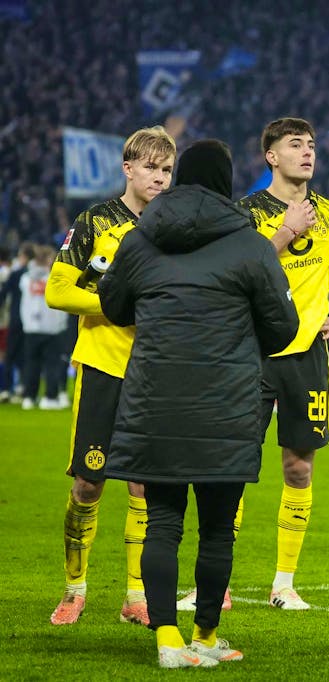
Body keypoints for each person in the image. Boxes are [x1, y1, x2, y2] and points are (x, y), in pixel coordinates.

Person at [98, 139, 299, 668]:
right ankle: (206, 638)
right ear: (227, 183)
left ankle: (167, 640)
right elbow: (283, 329)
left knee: (161, 522)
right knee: (216, 526)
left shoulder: (140, 239)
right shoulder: (251, 244)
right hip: (226, 406)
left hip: (155, 401)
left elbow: (113, 306)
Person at [238, 117, 329, 609]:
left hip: (306, 356)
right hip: (248, 354)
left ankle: (283, 584)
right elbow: (237, 270)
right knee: (231, 470)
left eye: (312, 145)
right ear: (271, 156)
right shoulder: (245, 213)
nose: (307, 152)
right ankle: (215, 583)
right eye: (294, 144)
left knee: (298, 468)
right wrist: (282, 234)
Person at [44, 125, 176, 625]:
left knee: (144, 486)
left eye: (166, 169)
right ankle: (74, 589)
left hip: (155, 372)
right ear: (128, 168)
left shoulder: (175, 226)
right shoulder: (96, 220)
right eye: (150, 167)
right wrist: (117, 305)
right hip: (103, 366)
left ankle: (136, 598)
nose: (159, 177)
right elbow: (58, 291)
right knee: (88, 484)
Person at [19, 244, 68, 409]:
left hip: (31, 328)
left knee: (31, 364)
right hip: (52, 329)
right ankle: (50, 398)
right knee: (51, 364)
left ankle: (29, 398)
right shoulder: (54, 279)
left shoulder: (25, 279)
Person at [0, 242, 36, 402]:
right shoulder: (35, 275)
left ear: (24, 257)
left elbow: (3, 295)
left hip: (15, 320)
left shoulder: (16, 274)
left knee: (9, 355)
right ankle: (23, 388)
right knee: (25, 356)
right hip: (31, 322)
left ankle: (6, 389)